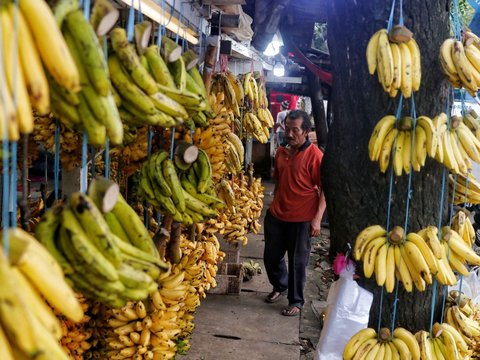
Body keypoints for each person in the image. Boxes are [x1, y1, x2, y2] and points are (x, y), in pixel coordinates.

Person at [264, 109, 326, 316]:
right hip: (277, 215)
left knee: (298, 262)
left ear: (306, 131)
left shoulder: (315, 156)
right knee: (271, 257)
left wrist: (317, 220)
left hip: (302, 219)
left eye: (295, 130)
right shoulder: (281, 152)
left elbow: (325, 189)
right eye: (287, 129)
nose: (289, 134)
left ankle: (296, 301)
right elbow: (280, 180)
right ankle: (280, 285)